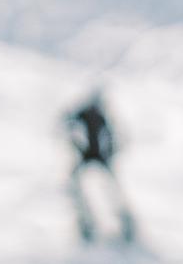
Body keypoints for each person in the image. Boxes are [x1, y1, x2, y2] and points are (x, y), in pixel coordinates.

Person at [64, 90, 139, 247]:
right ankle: (86, 222)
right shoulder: (84, 114)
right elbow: (68, 124)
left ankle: (122, 221)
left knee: (111, 190)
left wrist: (110, 152)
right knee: (79, 189)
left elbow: (111, 135)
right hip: (87, 156)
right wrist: (78, 145)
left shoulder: (100, 117)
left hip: (99, 157)